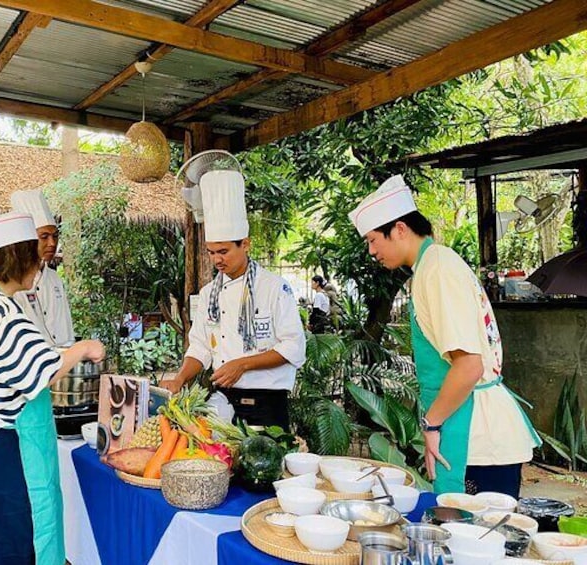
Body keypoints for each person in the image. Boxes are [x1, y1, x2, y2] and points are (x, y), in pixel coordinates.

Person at [0, 211, 105, 565]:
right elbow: (41, 371)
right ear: (19, 259)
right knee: (6, 547)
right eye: (35, 255)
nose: (41, 264)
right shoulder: (4, 314)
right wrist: (83, 348)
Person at [349, 175, 540, 496]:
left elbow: (468, 366)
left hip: (476, 432)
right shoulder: (430, 267)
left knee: (473, 534)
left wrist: (431, 424)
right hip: (463, 422)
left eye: (372, 240)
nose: (371, 251)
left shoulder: (437, 269)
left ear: (399, 229)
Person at [162, 168, 306, 429]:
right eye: (211, 252)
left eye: (224, 251)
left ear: (246, 244)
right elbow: (200, 347)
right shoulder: (209, 295)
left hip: (267, 404)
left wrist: (243, 365)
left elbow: (294, 346)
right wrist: (180, 378)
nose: (217, 259)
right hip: (223, 404)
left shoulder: (274, 288)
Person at [11, 189, 75, 346]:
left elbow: (67, 328)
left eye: (55, 236)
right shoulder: (11, 282)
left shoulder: (55, 279)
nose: (52, 243)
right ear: (27, 239)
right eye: (44, 237)